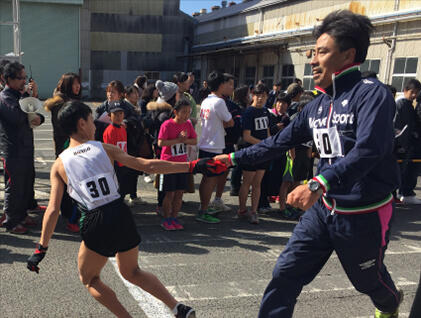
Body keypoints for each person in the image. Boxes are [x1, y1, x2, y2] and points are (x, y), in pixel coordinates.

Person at [216, 10, 403, 317]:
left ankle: (390, 304)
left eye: (322, 52)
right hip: (323, 209)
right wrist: (231, 158)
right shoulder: (316, 105)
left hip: (363, 213)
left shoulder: (372, 94)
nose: (313, 60)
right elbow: (278, 143)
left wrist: (318, 183)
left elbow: (370, 149)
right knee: (286, 273)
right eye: (313, 53)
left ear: (349, 55)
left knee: (369, 282)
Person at [26, 100, 226, 317]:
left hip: (95, 219)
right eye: (92, 120)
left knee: (90, 279)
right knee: (132, 271)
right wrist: (192, 165)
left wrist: (41, 249)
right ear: (82, 123)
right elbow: (147, 165)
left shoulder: (60, 164)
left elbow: (53, 209)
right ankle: (178, 307)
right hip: (120, 212)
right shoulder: (103, 148)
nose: (95, 125)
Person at [0, 62, 44, 234]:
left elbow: (36, 113)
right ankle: (11, 221)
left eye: (24, 78)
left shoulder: (19, 95)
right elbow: (18, 117)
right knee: (14, 186)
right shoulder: (5, 97)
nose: (23, 81)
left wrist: (39, 117)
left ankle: (22, 214)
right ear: (8, 79)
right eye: (20, 78)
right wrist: (27, 99)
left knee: (25, 184)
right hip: (13, 149)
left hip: (25, 146)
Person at [44, 72, 82, 232]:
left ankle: (68, 211)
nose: (78, 86)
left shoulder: (69, 100)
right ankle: (68, 213)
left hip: (70, 146)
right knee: (68, 181)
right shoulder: (61, 104)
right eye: (74, 83)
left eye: (78, 83)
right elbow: (63, 128)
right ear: (67, 85)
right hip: (66, 147)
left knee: (70, 181)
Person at [197, 71, 234, 223]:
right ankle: (203, 211)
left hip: (205, 144)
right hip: (214, 146)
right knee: (210, 180)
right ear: (221, 85)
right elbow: (230, 121)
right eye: (227, 83)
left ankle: (203, 207)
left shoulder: (206, 100)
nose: (229, 86)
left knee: (206, 179)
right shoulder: (219, 102)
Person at [157, 98, 197, 230]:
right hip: (168, 163)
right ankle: (166, 218)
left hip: (182, 164)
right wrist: (177, 140)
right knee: (170, 193)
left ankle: (174, 217)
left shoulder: (188, 124)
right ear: (175, 112)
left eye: (188, 112)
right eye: (184, 112)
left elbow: (194, 140)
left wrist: (185, 140)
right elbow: (161, 143)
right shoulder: (167, 125)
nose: (186, 115)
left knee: (179, 193)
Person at [237, 83, 270, 224]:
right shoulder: (249, 112)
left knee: (258, 183)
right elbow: (246, 136)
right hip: (251, 152)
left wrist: (270, 144)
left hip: (263, 152)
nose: (260, 98)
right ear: (253, 95)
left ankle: (254, 211)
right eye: (258, 95)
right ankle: (242, 209)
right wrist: (262, 144)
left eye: (263, 96)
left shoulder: (266, 112)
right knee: (247, 182)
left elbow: (267, 131)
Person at [394, 79, 421, 205]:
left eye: (416, 92)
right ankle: (396, 194)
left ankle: (400, 193)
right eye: (412, 92)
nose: (414, 95)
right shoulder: (400, 104)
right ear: (405, 90)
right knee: (396, 171)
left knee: (403, 170)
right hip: (399, 145)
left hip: (405, 145)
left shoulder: (408, 104)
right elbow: (396, 124)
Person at [229, 85, 251, 196]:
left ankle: (236, 185)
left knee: (241, 162)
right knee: (239, 163)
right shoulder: (240, 108)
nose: (250, 96)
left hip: (243, 137)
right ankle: (235, 186)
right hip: (241, 138)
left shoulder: (246, 106)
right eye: (248, 94)